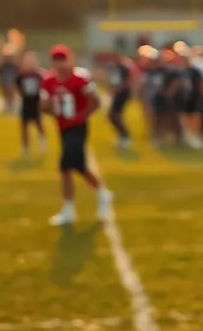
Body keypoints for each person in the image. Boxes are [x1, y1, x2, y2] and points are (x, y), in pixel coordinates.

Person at [41, 45, 112, 226]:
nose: (60, 64)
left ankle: (68, 211)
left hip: (77, 127)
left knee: (65, 166)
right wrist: (47, 108)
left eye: (62, 59)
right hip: (62, 127)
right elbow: (47, 106)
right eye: (56, 60)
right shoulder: (49, 81)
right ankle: (103, 193)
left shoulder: (80, 79)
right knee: (80, 167)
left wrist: (81, 116)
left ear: (69, 59)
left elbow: (96, 101)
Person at [15, 51, 47, 157]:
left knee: (39, 124)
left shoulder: (39, 74)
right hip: (26, 103)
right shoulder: (21, 75)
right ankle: (25, 147)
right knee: (24, 126)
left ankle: (43, 142)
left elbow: (45, 85)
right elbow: (18, 88)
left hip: (36, 103)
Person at [107, 49, 135, 149]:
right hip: (117, 92)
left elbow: (128, 80)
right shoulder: (114, 67)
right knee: (113, 115)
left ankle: (125, 136)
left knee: (114, 115)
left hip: (122, 93)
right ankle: (122, 135)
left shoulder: (124, 67)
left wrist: (119, 89)